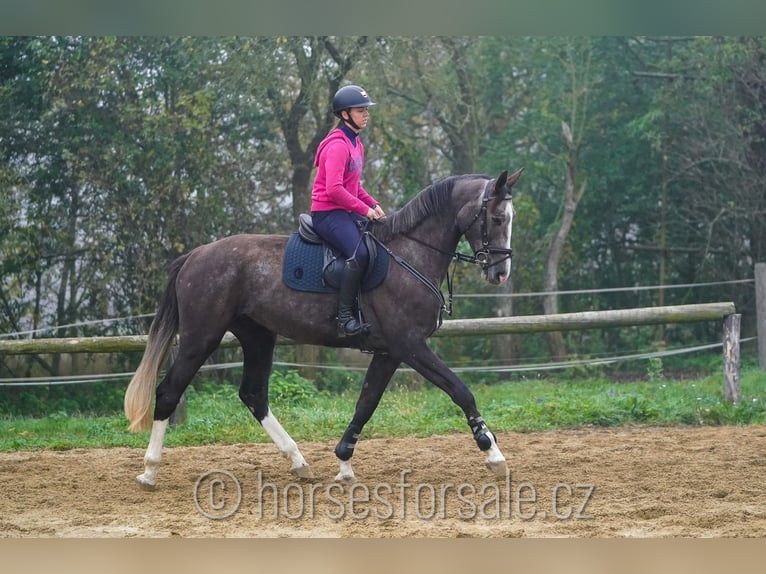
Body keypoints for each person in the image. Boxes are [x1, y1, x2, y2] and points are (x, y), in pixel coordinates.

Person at [310, 84, 386, 336]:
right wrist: (364, 210)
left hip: (344, 209)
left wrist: (373, 203)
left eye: (367, 110)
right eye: (360, 110)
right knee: (361, 254)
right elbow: (334, 189)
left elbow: (354, 186)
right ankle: (344, 319)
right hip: (327, 213)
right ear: (345, 114)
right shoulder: (338, 146)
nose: (366, 114)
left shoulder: (356, 143)